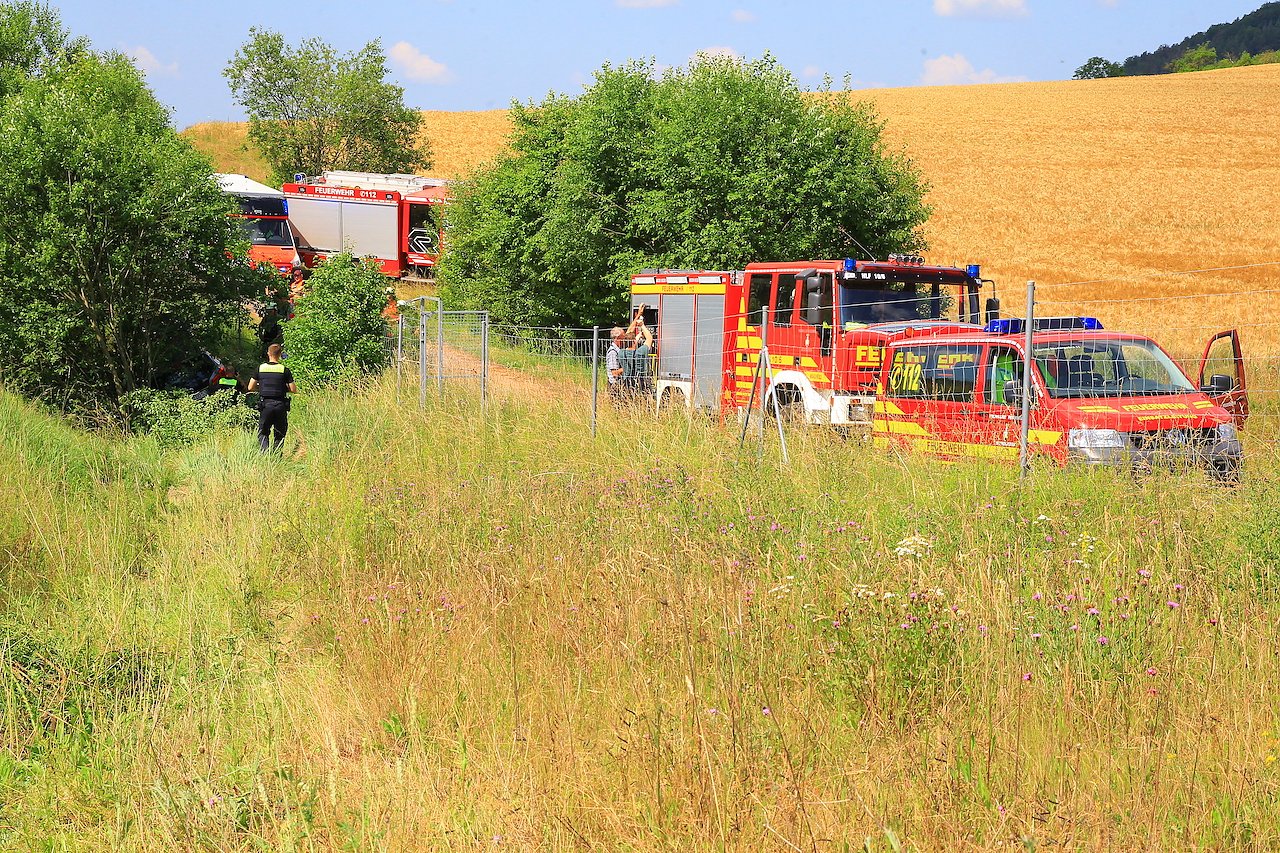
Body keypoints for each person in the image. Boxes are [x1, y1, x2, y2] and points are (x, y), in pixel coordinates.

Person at [246, 343, 297, 453]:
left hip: (266, 405)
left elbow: (250, 387)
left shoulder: (260, 368)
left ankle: (265, 455)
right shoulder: (284, 370)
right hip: (280, 405)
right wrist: (282, 388)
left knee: (263, 432)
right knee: (280, 434)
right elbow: (293, 389)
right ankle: (277, 456)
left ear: (268, 353)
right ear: (280, 354)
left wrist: (261, 388)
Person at [606, 326, 626, 403]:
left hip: (619, 385)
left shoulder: (618, 350)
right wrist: (627, 368)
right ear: (618, 338)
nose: (625, 340)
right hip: (615, 386)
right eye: (623, 337)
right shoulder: (613, 352)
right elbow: (614, 373)